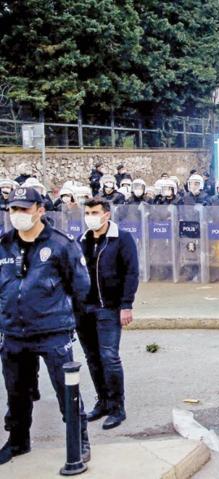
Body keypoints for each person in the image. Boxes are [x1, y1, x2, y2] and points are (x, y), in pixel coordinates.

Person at [0, 187, 92, 464]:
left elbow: (80, 286)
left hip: (53, 331)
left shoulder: (61, 244)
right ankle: (18, 441)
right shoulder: (4, 244)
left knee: (67, 391)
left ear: (40, 209)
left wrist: (65, 318)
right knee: (17, 392)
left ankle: (81, 442)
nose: (18, 215)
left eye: (24, 209)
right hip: (14, 333)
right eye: (13, 209)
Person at [77, 199, 139, 430]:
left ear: (106, 215)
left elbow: (131, 273)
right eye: (87, 212)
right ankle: (102, 402)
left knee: (109, 357)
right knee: (92, 358)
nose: (90, 216)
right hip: (84, 310)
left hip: (109, 308)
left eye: (94, 212)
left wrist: (126, 305)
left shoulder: (121, 239)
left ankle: (116, 407)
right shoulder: (81, 240)